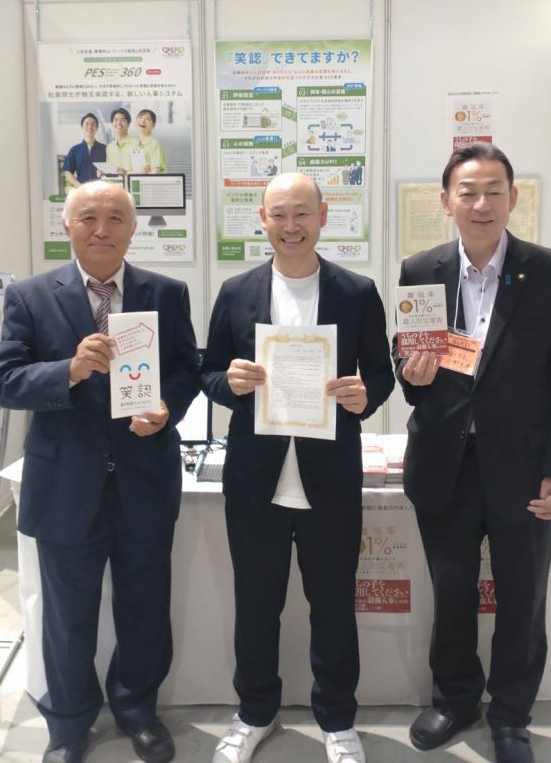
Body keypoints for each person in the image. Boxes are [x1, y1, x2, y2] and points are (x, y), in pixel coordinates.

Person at [392, 143, 551, 763]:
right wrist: (410, 372)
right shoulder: (420, 269)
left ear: (512, 198)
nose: (481, 204)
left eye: (493, 191)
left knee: (522, 595)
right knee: (451, 591)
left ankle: (510, 714)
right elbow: (410, 366)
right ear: (445, 200)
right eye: (468, 192)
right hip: (445, 463)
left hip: (524, 467)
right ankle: (454, 699)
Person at [0, 181, 199, 763]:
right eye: (88, 217)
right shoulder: (30, 296)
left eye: (115, 218)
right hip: (65, 485)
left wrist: (167, 408)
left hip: (145, 478)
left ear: (133, 228)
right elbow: (4, 383)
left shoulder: (167, 293)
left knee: (144, 608)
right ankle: (68, 724)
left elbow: (187, 369)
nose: (101, 229)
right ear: (67, 226)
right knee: (66, 615)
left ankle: (137, 711)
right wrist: (69, 370)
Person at [201, 173, 394, 763]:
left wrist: (365, 395)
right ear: (262, 219)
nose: (291, 226)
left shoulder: (356, 292)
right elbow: (208, 372)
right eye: (279, 214)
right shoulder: (236, 291)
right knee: (257, 605)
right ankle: (254, 713)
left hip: (329, 477)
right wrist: (230, 383)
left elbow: (380, 374)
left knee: (333, 606)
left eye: (302, 213)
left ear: (323, 215)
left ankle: (337, 720)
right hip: (255, 479)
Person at [63, 113, 107, 188]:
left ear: (96, 128)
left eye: (93, 124)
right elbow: (68, 172)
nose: (90, 127)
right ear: (82, 127)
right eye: (87, 124)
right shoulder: (75, 150)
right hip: (82, 190)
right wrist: (79, 186)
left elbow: (111, 170)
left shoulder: (104, 149)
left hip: (100, 190)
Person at [132, 110, 167, 174]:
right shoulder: (134, 145)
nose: (142, 120)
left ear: (153, 125)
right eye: (140, 117)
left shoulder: (154, 144)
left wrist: (144, 174)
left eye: (147, 119)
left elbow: (156, 171)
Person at [105, 108, 137, 176]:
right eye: (116, 120)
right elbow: (110, 170)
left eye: (122, 120)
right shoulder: (109, 147)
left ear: (128, 124)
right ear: (112, 123)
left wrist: (126, 172)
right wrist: (103, 172)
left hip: (131, 182)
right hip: (114, 182)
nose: (119, 123)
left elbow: (143, 171)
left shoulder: (137, 143)